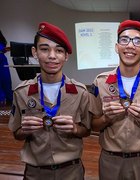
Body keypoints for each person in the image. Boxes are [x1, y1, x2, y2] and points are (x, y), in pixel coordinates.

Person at [8, 22, 91, 180]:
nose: (52, 56)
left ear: (66, 56)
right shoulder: (22, 92)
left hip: (71, 172)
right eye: (45, 49)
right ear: (35, 52)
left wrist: (74, 128)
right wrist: (25, 130)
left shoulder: (80, 92)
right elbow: (17, 134)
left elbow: (86, 130)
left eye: (59, 50)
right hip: (35, 173)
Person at [89, 20, 140, 180]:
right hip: (110, 160)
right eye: (124, 40)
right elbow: (93, 125)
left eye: (137, 41)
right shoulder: (100, 82)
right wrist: (106, 118)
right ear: (116, 46)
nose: (130, 46)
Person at [0, 30, 13, 106]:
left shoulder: (1, 40)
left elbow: (2, 49)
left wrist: (6, 49)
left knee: (6, 80)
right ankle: (1, 100)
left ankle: (9, 100)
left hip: (2, 60)